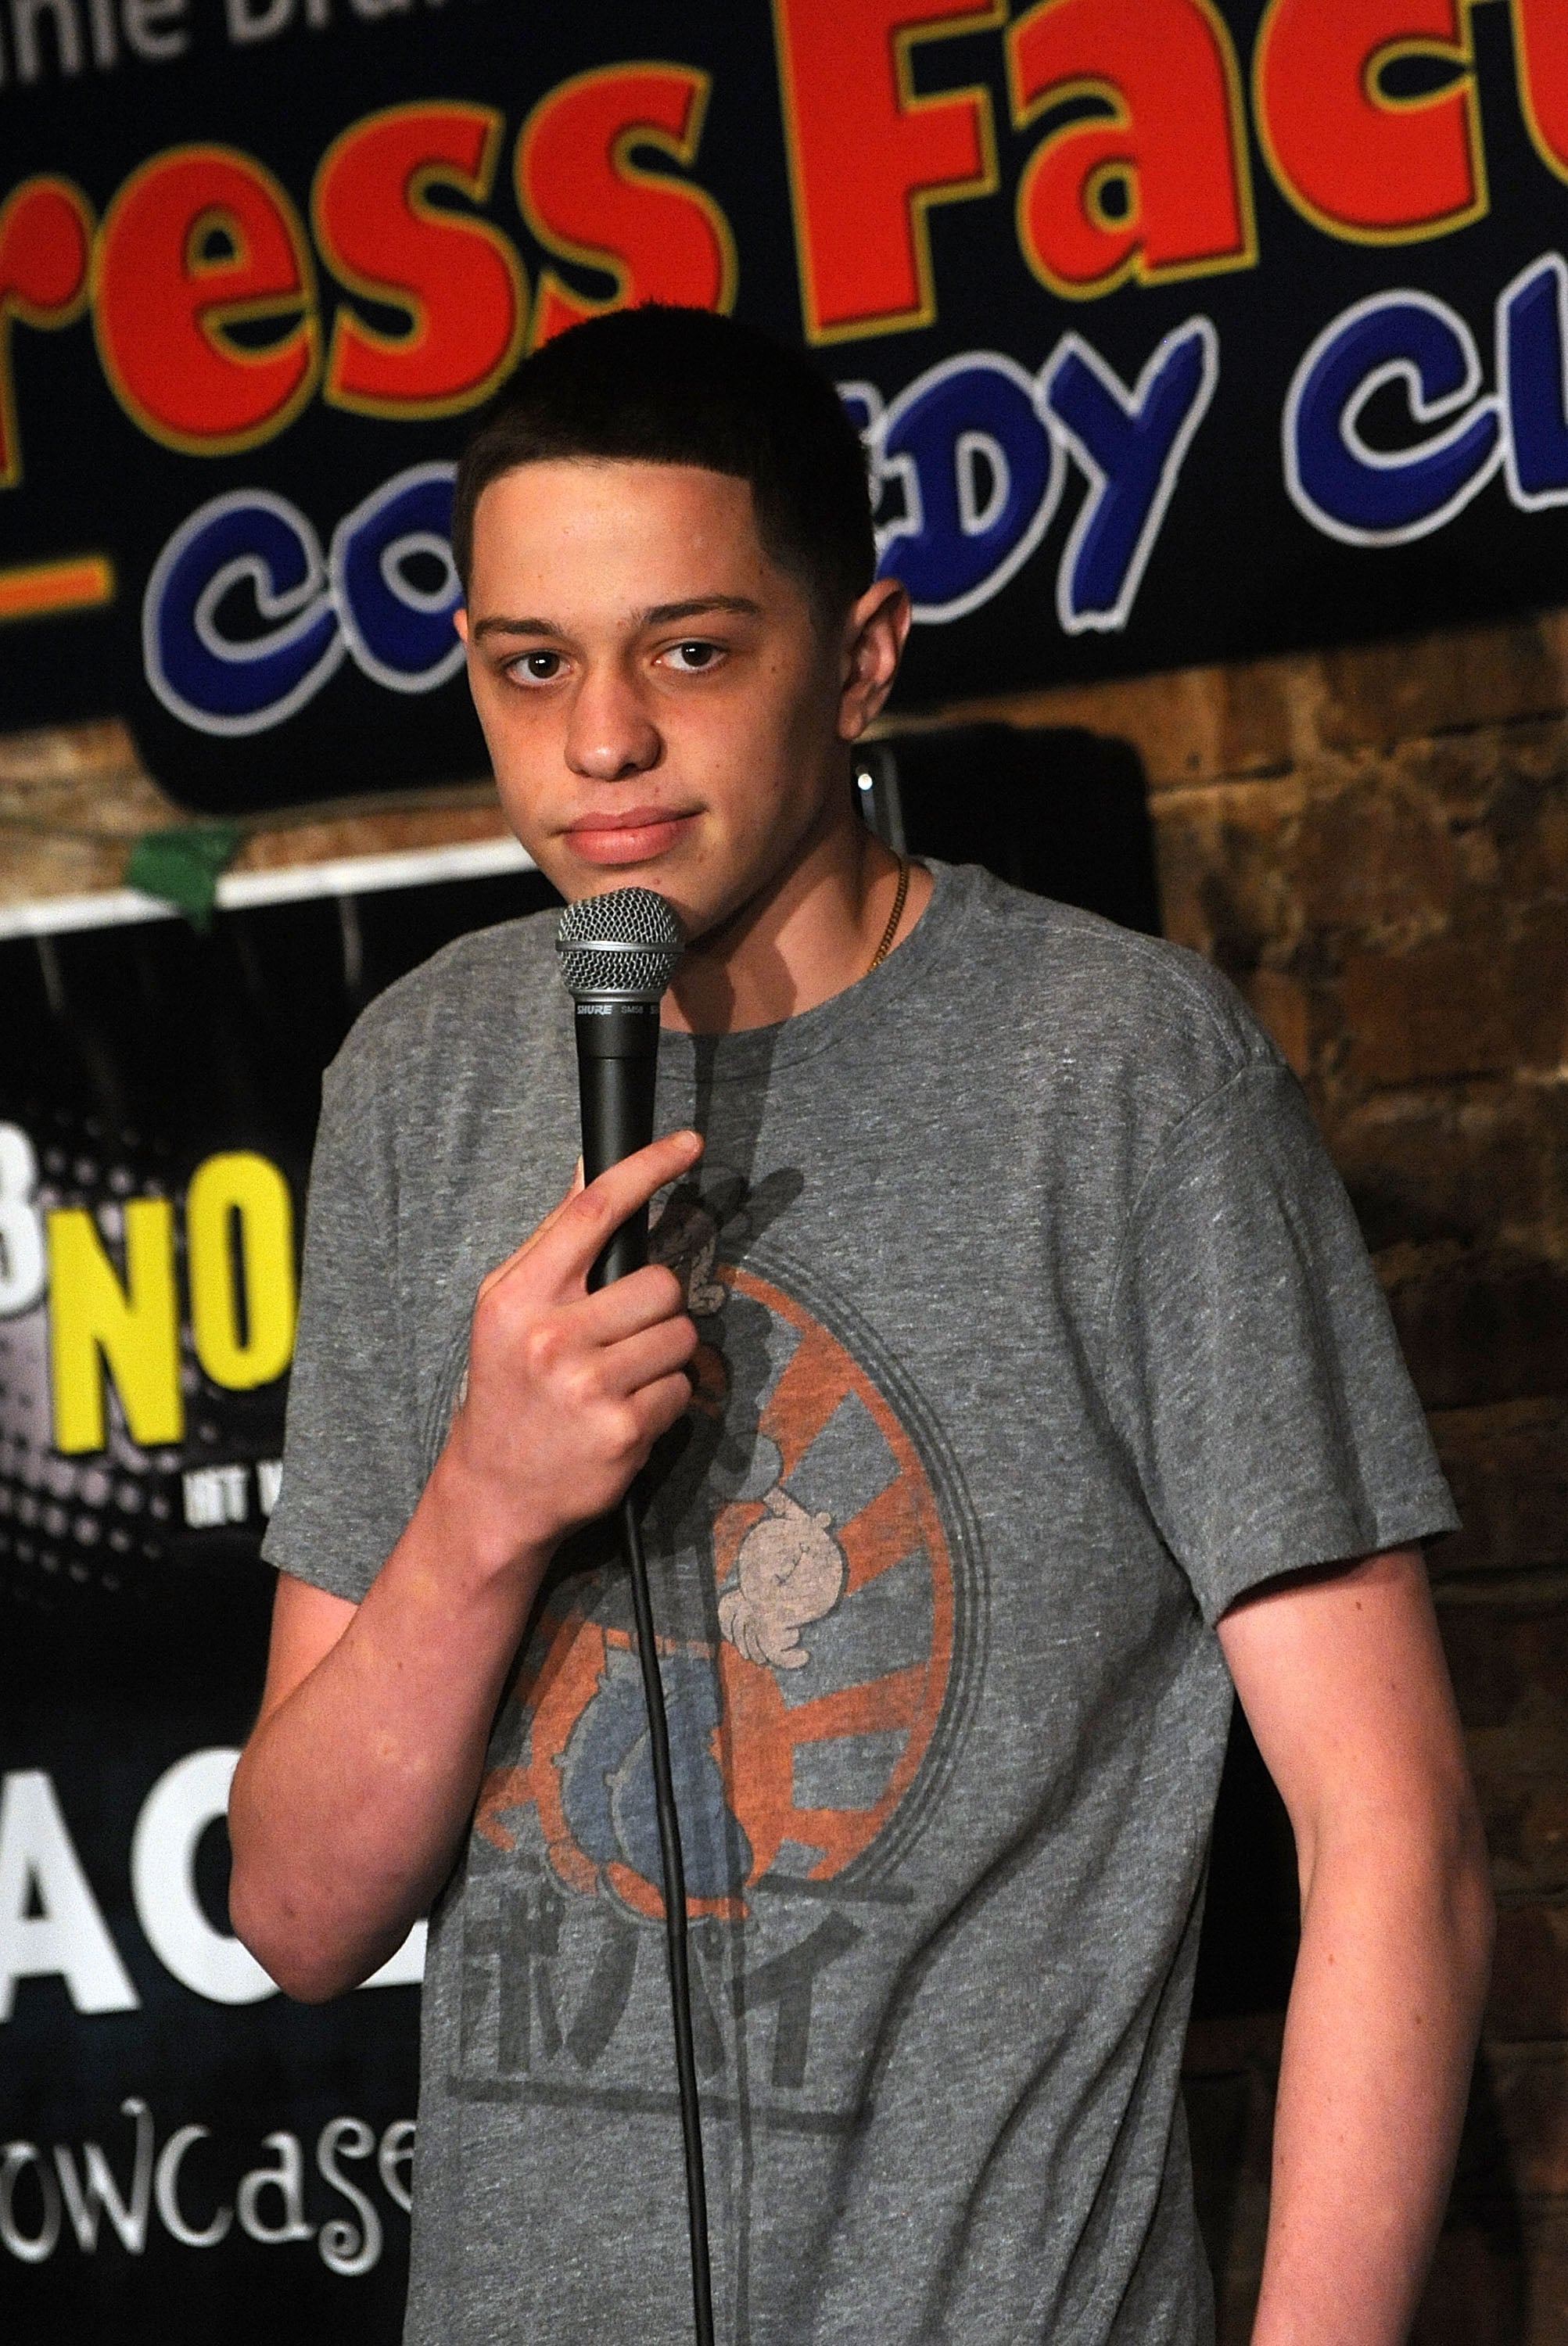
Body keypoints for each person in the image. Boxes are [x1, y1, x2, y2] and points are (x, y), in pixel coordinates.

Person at [228, 305, 1493, 2346]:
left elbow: (1396, 1831)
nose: (604, 739)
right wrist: (480, 1506)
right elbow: (295, 1916)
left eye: (691, 650)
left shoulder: (1114, 1070)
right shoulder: (422, 1075)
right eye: (531, 664)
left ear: (866, 656)